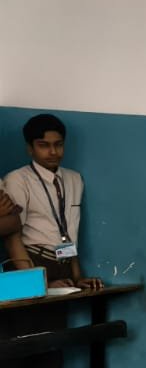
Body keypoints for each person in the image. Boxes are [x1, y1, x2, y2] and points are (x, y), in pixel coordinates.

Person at [0, 188, 67, 368]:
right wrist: (6, 222)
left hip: (6, 294)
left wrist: (37, 283)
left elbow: (13, 230)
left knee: (44, 360)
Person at [3, 113, 101, 292]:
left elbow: (69, 231)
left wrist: (77, 277)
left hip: (64, 264)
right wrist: (39, 283)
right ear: (30, 148)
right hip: (31, 263)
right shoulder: (17, 180)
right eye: (43, 145)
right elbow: (12, 238)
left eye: (59, 144)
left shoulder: (74, 179)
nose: (53, 152)